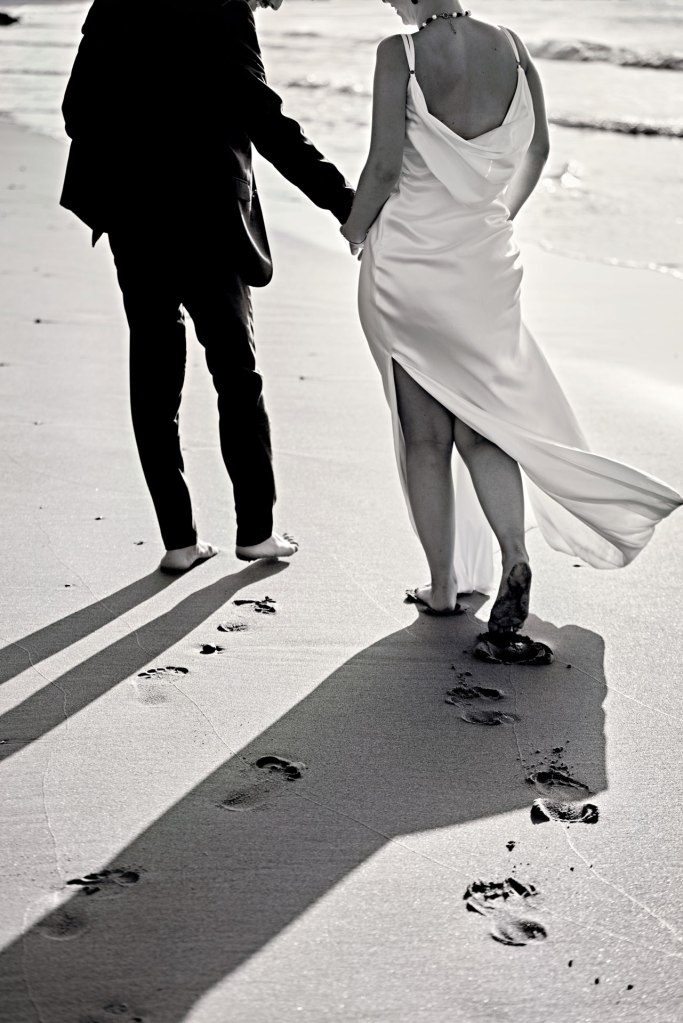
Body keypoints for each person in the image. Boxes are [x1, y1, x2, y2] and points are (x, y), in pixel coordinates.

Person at [341, 0, 681, 662]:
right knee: (483, 423)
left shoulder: (400, 52)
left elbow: (383, 166)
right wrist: (497, 217)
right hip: (485, 261)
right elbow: (539, 149)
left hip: (411, 260)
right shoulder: (514, 46)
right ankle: (513, 554)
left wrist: (355, 232)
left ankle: (441, 589)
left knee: (425, 436)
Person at [60, 0, 354, 573]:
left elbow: (77, 109)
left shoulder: (115, 2)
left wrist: (133, 150)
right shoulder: (221, 7)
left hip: (131, 213)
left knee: (154, 369)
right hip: (206, 216)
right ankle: (257, 532)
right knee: (235, 372)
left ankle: (178, 541)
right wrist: (342, 201)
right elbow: (264, 118)